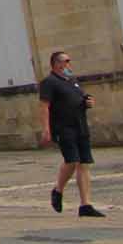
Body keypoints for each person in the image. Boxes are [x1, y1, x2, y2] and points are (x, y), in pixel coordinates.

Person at [38, 49, 103, 216]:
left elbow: (80, 98)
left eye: (69, 61)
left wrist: (88, 102)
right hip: (63, 127)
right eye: (66, 61)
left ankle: (85, 205)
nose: (69, 64)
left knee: (84, 163)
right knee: (72, 161)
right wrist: (46, 129)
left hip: (80, 125)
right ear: (57, 64)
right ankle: (57, 190)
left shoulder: (73, 81)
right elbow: (44, 106)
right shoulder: (49, 82)